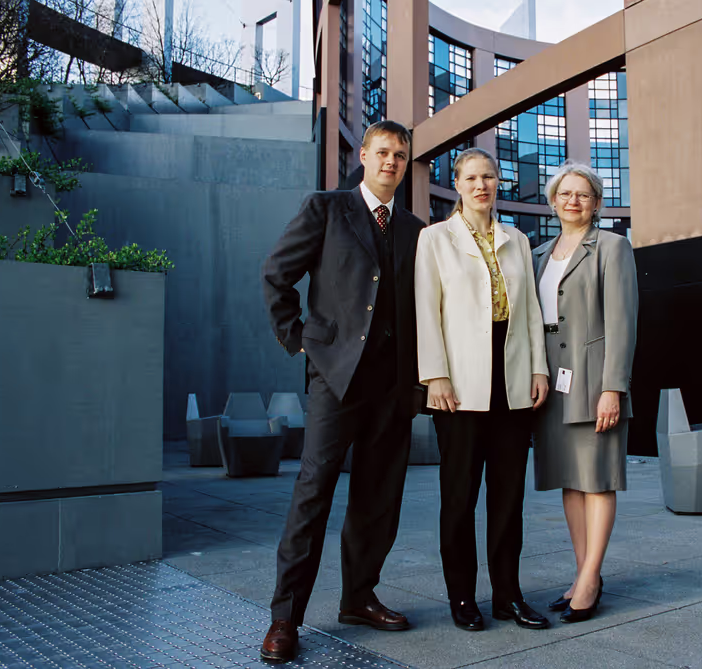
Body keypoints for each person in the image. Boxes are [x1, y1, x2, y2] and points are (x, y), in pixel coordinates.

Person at [260, 120, 426, 663]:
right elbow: (277, 276)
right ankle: (286, 617)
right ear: (364, 154)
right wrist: (301, 342)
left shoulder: (416, 230)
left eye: (400, 156)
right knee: (313, 493)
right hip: (334, 380)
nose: (390, 163)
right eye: (382, 153)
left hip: (392, 385)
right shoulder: (326, 209)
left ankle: (358, 598)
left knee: (379, 499)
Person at [415, 147, 550, 632]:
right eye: (471, 177)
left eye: (489, 177)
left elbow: (530, 311)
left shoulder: (516, 238)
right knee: (459, 498)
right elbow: (425, 312)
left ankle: (507, 596)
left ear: (498, 183)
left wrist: (539, 369)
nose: (481, 185)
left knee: (508, 499)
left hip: (512, 383)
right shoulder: (435, 239)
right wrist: (435, 375)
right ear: (458, 184)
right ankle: (462, 598)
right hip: (460, 386)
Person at [532, 161, 638, 624]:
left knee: (597, 477)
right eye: (565, 193)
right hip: (551, 379)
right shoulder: (538, 253)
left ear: (596, 203)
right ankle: (580, 573)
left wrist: (613, 388)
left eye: (583, 194)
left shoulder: (612, 248)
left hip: (594, 379)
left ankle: (592, 578)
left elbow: (623, 322)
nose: (573, 201)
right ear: (553, 200)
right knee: (570, 480)